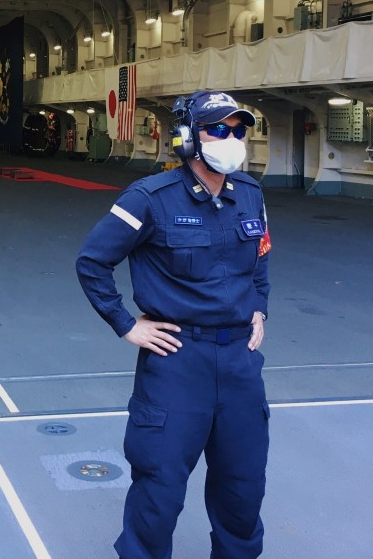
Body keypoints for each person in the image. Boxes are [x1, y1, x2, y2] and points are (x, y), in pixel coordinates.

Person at [76, 90, 272, 559]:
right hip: (177, 362)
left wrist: (260, 308)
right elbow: (92, 262)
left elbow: (260, 260)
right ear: (188, 138)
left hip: (241, 365)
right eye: (218, 128)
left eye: (238, 128)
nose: (231, 137)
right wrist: (126, 324)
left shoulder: (251, 193)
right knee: (158, 493)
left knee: (243, 492)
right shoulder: (149, 198)